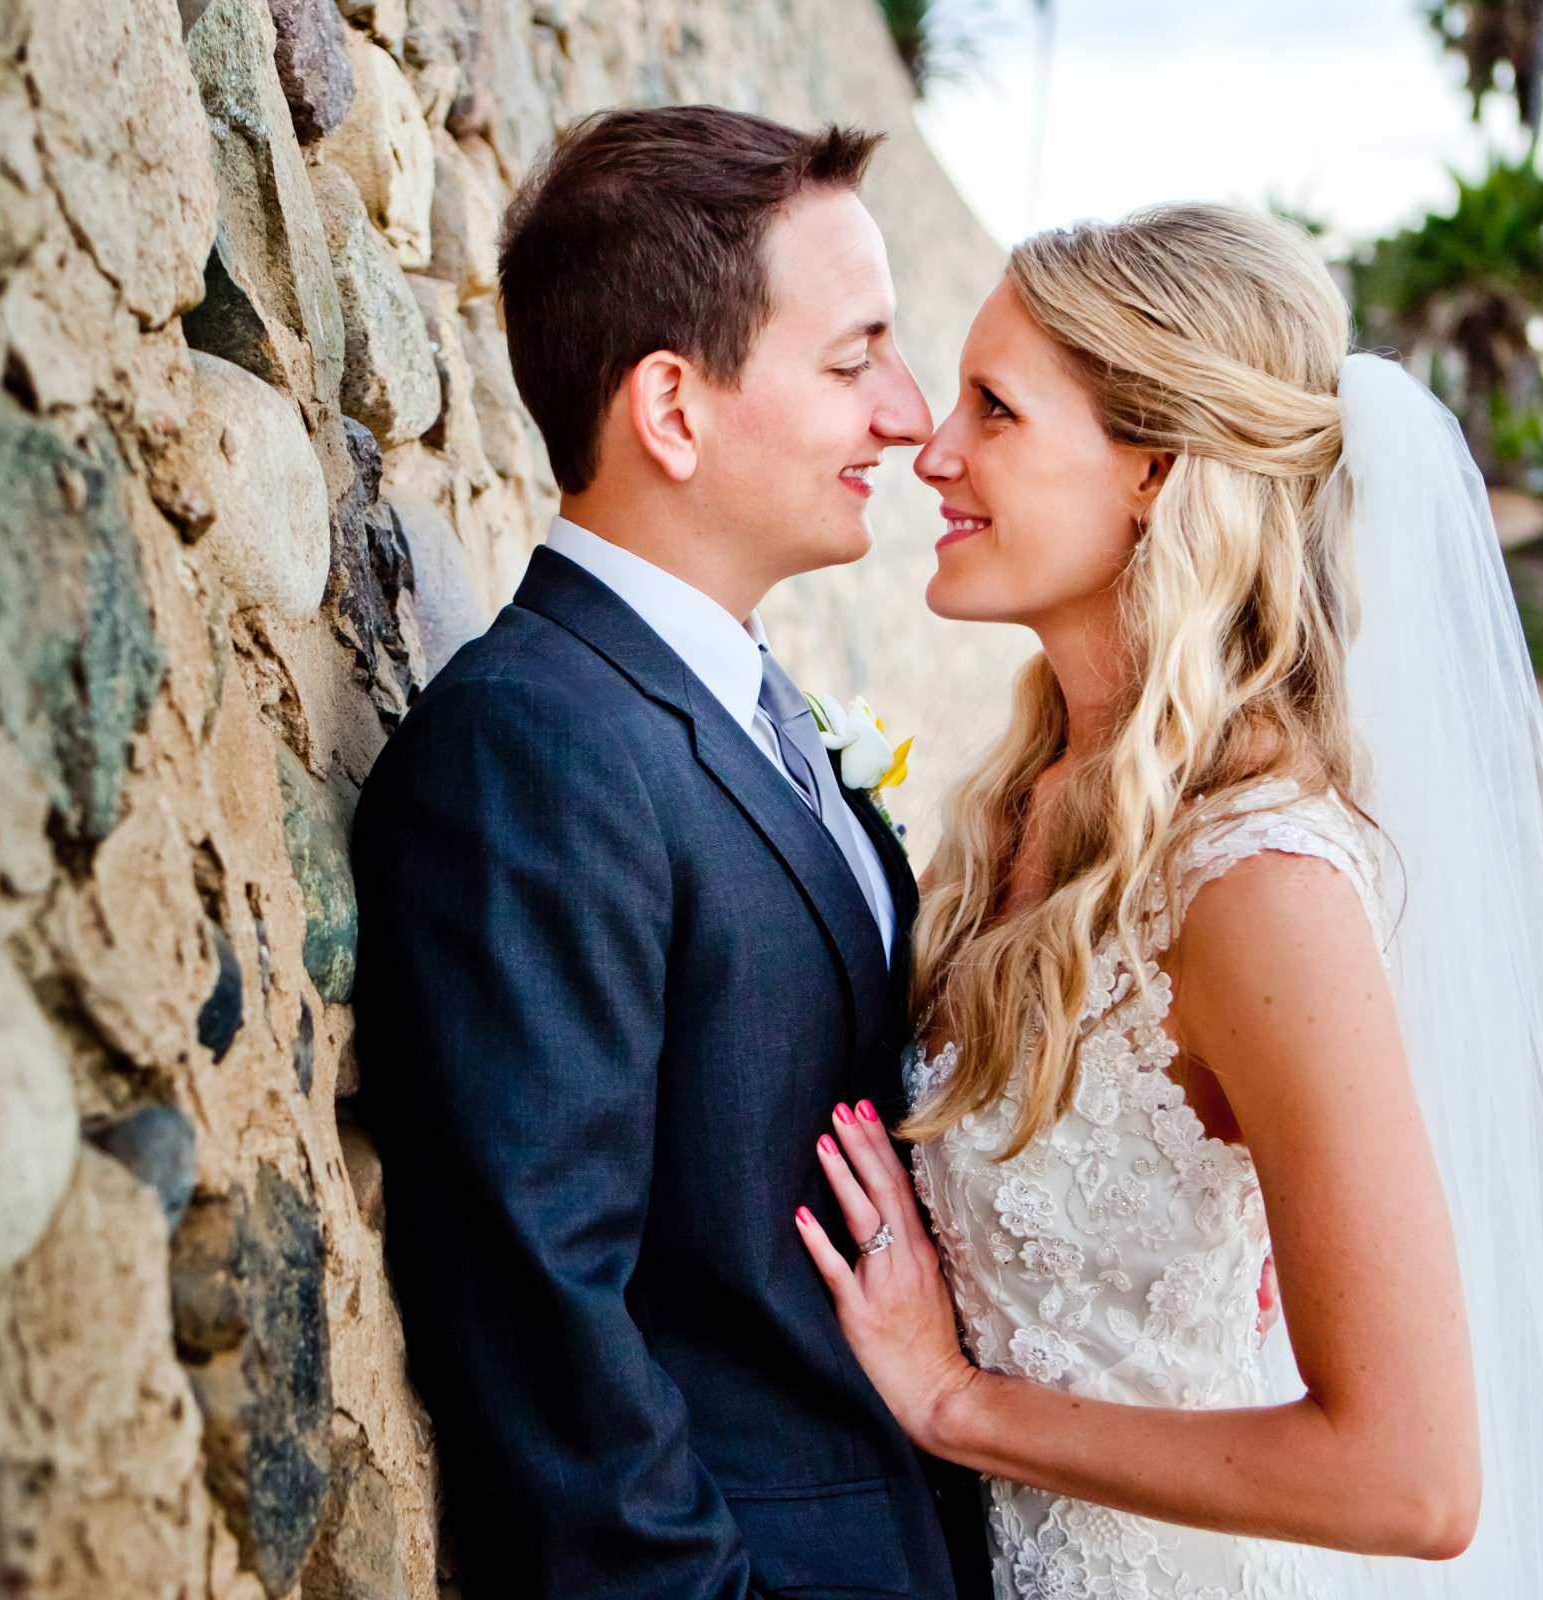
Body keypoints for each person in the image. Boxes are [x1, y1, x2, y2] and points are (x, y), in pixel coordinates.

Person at [793, 203, 1543, 1600]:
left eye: (996, 410)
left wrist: (957, 1405)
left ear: (1157, 466)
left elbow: (1412, 1479)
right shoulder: (1028, 801)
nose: (934, 448)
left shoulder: (1257, 885)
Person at [350, 106, 991, 1597]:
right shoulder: (533, 749)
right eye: (854, 362)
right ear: (674, 411)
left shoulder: (736, 693)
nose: (906, 414)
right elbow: (539, 1309)